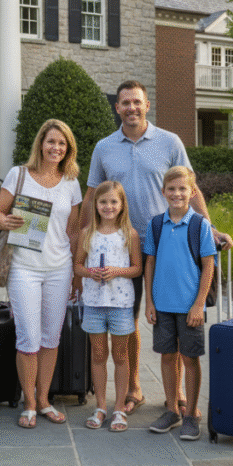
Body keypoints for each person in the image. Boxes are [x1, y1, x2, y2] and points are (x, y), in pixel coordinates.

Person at [82, 80, 232, 420]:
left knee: (176, 316)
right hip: (123, 249)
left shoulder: (169, 141)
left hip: (170, 246)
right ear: (117, 108)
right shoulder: (104, 147)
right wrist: (79, 235)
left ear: (147, 105)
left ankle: (176, 393)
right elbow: (91, 194)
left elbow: (190, 189)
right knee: (128, 320)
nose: (131, 108)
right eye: (125, 103)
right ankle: (133, 386)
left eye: (137, 102)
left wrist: (209, 226)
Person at [0, 119, 82, 429]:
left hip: (59, 268)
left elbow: (73, 231)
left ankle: (44, 400)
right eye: (51, 142)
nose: (56, 148)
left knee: (50, 338)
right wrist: (3, 222)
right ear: (40, 144)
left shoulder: (71, 182)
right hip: (23, 268)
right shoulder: (19, 175)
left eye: (62, 143)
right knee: (28, 338)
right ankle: (28, 402)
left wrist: (76, 274)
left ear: (67, 148)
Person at [144, 166, 216, 440]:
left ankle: (191, 414)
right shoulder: (155, 224)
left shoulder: (200, 225)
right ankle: (172, 410)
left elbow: (208, 266)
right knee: (167, 356)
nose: (177, 193)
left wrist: (199, 304)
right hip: (162, 305)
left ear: (192, 192)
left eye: (182, 188)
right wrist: (149, 301)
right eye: (171, 189)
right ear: (163, 192)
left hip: (190, 309)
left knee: (190, 358)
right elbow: (150, 262)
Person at [73, 180, 142, 432]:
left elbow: (137, 268)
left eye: (114, 202)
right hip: (93, 303)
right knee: (99, 355)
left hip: (121, 304)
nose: (108, 206)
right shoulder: (87, 233)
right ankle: (101, 406)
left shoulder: (130, 234)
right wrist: (90, 273)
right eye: (103, 202)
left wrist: (116, 271)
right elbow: (77, 266)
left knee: (121, 356)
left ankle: (120, 408)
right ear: (95, 204)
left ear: (122, 205)